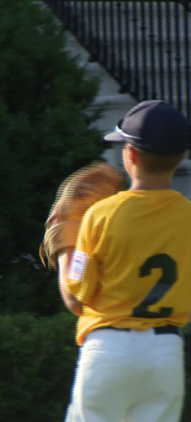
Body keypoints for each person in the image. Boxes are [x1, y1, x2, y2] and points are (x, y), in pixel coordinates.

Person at [56, 100, 191, 422]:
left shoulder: (101, 215)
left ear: (129, 156)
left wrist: (65, 248)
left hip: (109, 350)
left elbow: (76, 299)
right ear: (183, 156)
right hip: (166, 354)